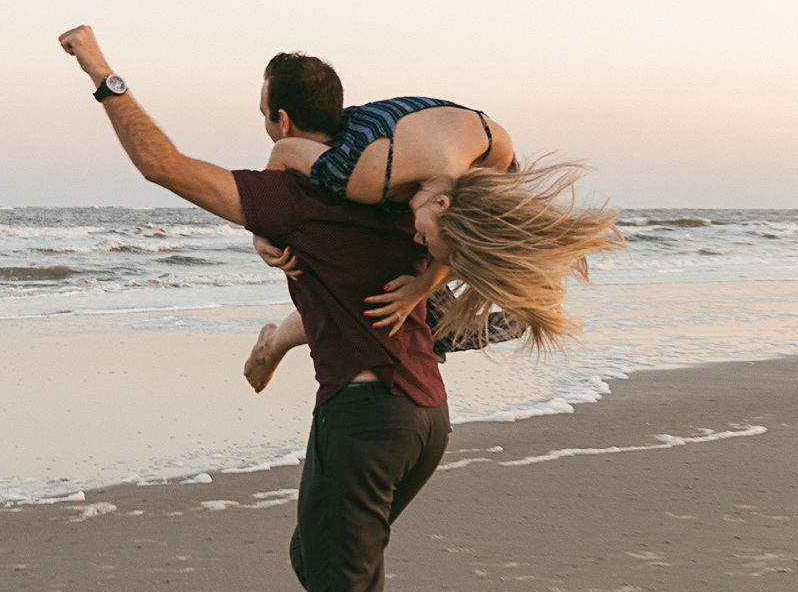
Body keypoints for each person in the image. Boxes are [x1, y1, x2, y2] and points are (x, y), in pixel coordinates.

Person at [57, 24, 449, 592]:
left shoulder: (292, 200)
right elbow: (363, 283)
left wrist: (101, 71)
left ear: (275, 120)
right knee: (318, 559)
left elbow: (162, 165)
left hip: (368, 418)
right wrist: (279, 337)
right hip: (419, 415)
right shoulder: (378, 193)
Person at [240, 51, 621, 394]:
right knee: (387, 304)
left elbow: (455, 235)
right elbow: (285, 150)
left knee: (423, 313)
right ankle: (277, 344)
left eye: (424, 242)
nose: (417, 242)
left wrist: (422, 287)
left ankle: (409, 369)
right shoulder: (364, 173)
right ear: (441, 202)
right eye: (426, 239)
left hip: (449, 163)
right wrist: (263, 231)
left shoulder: (489, 178)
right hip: (396, 161)